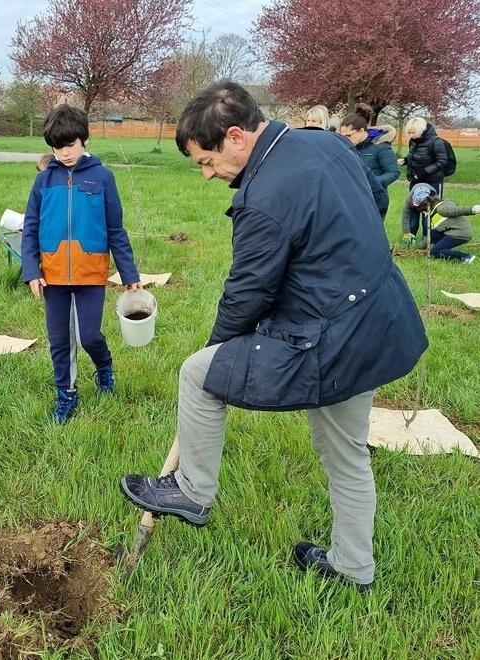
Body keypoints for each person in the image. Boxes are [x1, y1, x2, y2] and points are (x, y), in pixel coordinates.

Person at [119, 81, 427, 592]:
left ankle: (191, 491)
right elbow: (374, 201)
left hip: (335, 335)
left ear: (236, 137)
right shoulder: (325, 142)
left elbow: (248, 292)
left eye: (206, 161)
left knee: (199, 374)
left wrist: (217, 348)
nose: (207, 173)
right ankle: (353, 568)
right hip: (378, 318)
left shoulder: (264, 197)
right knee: (346, 452)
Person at [21, 104, 141, 423]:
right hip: (53, 275)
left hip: (91, 273)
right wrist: (31, 270)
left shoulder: (103, 178)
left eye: (70, 145)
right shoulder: (44, 181)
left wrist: (129, 274)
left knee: (89, 335)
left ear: (85, 139)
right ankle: (66, 394)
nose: (64, 153)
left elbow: (116, 229)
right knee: (60, 339)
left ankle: (104, 366)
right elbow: (30, 227)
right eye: (57, 147)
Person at [339, 105, 400, 218]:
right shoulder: (346, 147)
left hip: (375, 200)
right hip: (351, 199)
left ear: (361, 131)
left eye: (348, 135)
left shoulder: (380, 145)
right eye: (342, 136)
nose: (345, 139)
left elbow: (394, 172)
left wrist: (372, 183)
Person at [402, 183, 479, 262]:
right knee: (433, 233)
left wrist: (472, 210)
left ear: (425, 205)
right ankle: (444, 249)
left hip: (460, 234)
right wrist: (418, 249)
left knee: (434, 252)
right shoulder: (434, 210)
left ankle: (465, 257)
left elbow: (456, 210)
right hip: (450, 230)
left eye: (421, 209)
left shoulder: (441, 209)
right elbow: (431, 235)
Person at [398, 117, 448, 199]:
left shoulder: (436, 142)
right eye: (409, 133)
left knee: (432, 205)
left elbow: (442, 161)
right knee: (414, 204)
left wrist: (424, 172)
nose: (411, 135)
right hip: (415, 180)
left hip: (432, 181)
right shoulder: (413, 141)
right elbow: (414, 155)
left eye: (413, 132)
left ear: (420, 130)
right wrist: (406, 160)